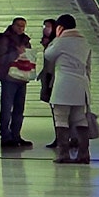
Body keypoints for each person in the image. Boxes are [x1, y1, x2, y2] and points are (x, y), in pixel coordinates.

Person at [43, 13, 92, 164]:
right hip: (81, 85)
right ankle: (84, 154)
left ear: (60, 28)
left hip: (64, 85)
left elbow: (48, 55)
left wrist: (56, 39)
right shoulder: (85, 42)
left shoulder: (61, 42)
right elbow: (88, 66)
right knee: (80, 119)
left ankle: (63, 154)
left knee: (61, 118)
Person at [0, 17, 33, 147]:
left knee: (19, 108)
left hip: (21, 77)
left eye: (23, 26)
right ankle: (6, 136)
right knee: (7, 108)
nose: (21, 28)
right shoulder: (4, 39)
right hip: (9, 78)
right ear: (13, 25)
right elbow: (1, 58)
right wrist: (15, 54)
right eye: (19, 26)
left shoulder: (25, 40)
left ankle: (16, 135)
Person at [39, 18, 58, 148]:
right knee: (55, 111)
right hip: (48, 77)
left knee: (59, 112)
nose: (45, 29)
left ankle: (65, 138)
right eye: (44, 26)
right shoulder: (49, 44)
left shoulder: (56, 43)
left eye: (48, 27)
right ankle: (60, 137)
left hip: (55, 78)